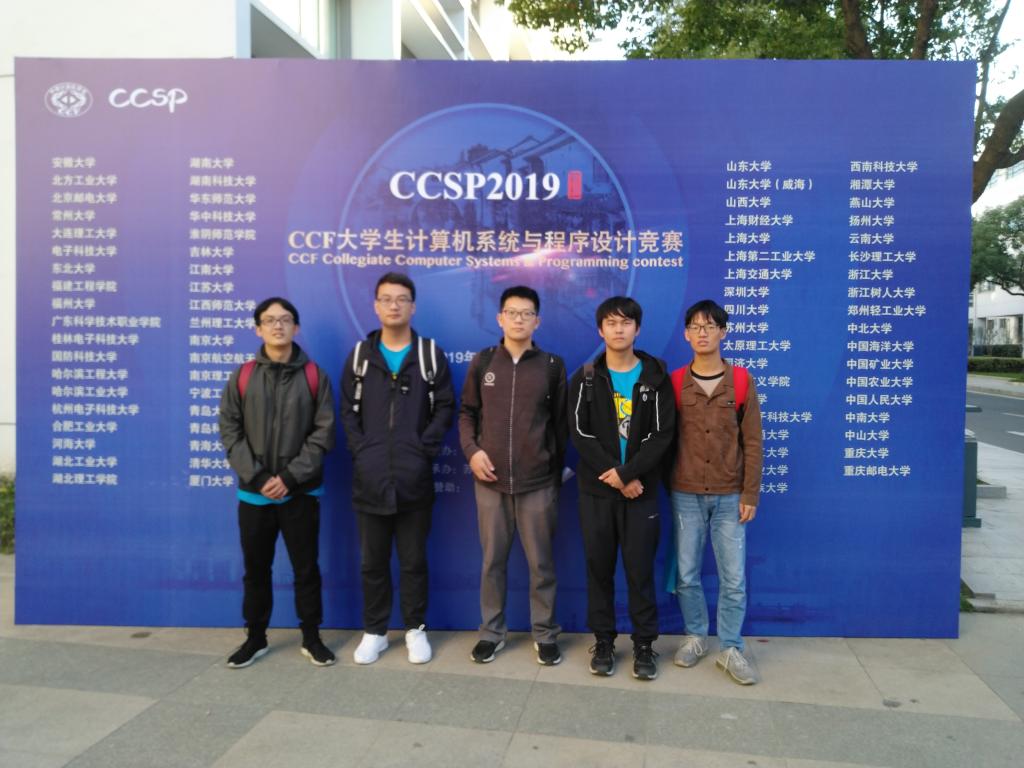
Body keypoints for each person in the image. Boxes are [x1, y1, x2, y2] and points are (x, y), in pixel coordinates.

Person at [340, 272, 454, 665]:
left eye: (401, 299)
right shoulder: (360, 356)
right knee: (372, 562)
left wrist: (423, 450)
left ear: (413, 306)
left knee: (413, 561)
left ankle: (414, 629)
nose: (394, 305)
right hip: (370, 479)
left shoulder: (429, 355)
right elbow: (347, 412)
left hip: (413, 478)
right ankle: (375, 632)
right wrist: (363, 452)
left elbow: (444, 407)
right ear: (375, 306)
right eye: (386, 299)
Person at [219, 297, 336, 668]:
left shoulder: (314, 376)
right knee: (256, 570)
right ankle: (255, 638)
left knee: (306, 569)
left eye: (285, 320)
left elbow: (324, 432)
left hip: (300, 492)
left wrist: (288, 477)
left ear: (296, 327)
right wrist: (257, 477)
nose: (277, 326)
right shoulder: (242, 376)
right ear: (258, 329)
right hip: (254, 496)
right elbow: (229, 429)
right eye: (269, 320)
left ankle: (312, 638)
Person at [459, 285, 568, 666]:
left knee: (542, 564)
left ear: (537, 321)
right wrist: (472, 453)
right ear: (499, 318)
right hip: (490, 482)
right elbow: (467, 413)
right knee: (492, 562)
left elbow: (561, 426)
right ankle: (491, 633)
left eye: (526, 313)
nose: (519, 319)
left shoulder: (552, 365)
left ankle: (545, 634)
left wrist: (552, 472)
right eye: (512, 312)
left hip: (538, 483)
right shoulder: (484, 361)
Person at [569, 296, 676, 680]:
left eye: (626, 322)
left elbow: (662, 436)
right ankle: (603, 641)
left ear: (637, 329)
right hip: (597, 493)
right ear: (600, 330)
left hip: (640, 493)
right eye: (611, 323)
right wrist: (617, 475)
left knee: (639, 571)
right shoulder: (585, 377)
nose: (618, 329)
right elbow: (579, 434)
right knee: (599, 570)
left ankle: (644, 644)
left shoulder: (655, 376)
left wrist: (629, 475)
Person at [670, 299, 763, 685]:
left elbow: (753, 442)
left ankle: (730, 647)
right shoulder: (675, 382)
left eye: (710, 326)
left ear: (723, 332)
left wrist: (750, 494)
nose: (703, 333)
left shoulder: (740, 381)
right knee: (687, 574)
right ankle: (695, 637)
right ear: (686, 334)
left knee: (733, 578)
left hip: (730, 496)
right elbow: (664, 440)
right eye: (695, 326)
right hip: (685, 494)